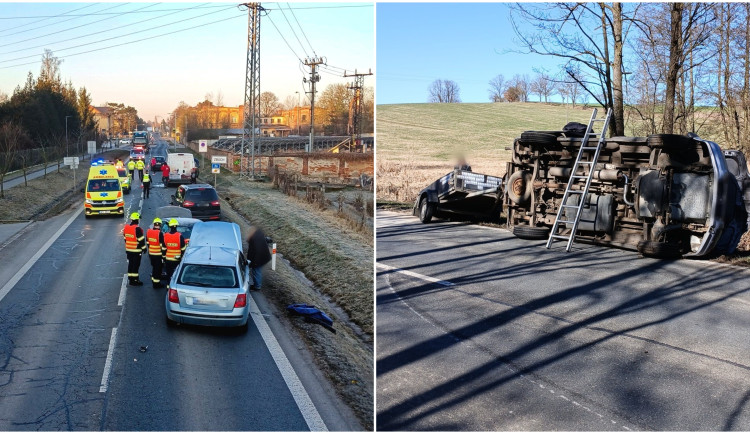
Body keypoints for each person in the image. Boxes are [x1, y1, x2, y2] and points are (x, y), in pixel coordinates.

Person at [123, 212, 146, 286]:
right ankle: (135, 280)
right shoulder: (137, 229)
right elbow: (141, 240)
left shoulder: (126, 227)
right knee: (136, 265)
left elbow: (125, 238)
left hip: (128, 250)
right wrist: (144, 248)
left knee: (130, 264)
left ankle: (130, 278)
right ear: (136, 220)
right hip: (136, 251)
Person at [246, 226, 272, 291]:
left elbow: (252, 253)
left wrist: (253, 263)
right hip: (264, 257)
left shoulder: (253, 242)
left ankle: (257, 287)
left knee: (256, 272)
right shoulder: (258, 234)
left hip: (259, 259)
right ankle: (257, 285)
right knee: (257, 271)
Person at [162, 219, 186, 283]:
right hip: (177, 259)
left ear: (170, 226)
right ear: (176, 226)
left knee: (169, 273)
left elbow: (164, 249)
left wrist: (164, 257)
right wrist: (182, 258)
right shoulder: (179, 236)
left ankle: (168, 286)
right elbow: (183, 249)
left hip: (168, 259)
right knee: (176, 274)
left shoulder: (166, 235)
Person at [146, 218, 164, 288]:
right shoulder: (160, 233)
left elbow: (147, 243)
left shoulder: (149, 232)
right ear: (160, 225)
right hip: (158, 254)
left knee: (154, 267)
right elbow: (162, 246)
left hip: (151, 253)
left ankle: (153, 280)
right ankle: (156, 284)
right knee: (158, 269)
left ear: (154, 224)